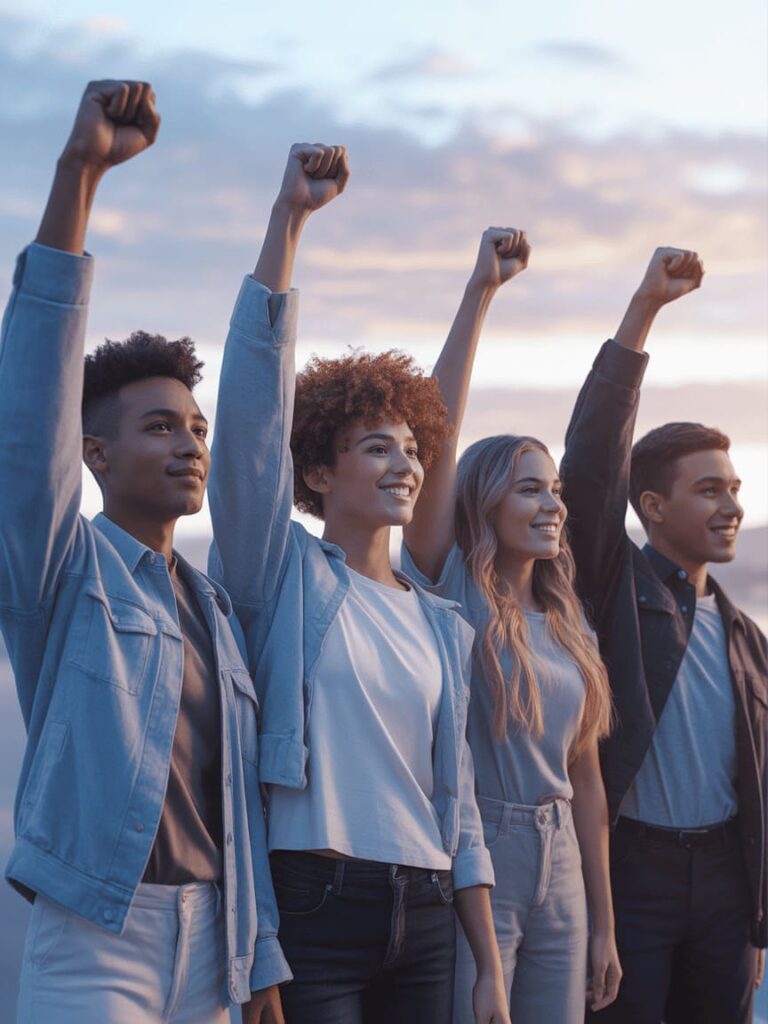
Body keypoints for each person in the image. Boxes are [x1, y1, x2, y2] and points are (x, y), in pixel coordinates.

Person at [0, 79, 290, 1023]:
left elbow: (256, 448)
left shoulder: (215, 607)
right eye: (161, 428)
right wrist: (80, 173)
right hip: (96, 933)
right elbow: (32, 403)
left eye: (193, 429)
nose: (191, 445)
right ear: (96, 454)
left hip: (216, 938)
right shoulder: (61, 573)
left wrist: (260, 961)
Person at [206, 144, 510, 1024]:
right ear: (315, 472)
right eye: (377, 446)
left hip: (426, 916)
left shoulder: (443, 624)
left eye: (411, 450)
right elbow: (251, 432)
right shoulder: (280, 574)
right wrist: (288, 224)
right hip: (312, 902)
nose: (405, 464)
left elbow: (461, 813)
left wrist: (487, 967)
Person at [400, 228, 620, 1023]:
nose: (553, 504)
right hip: (476, 853)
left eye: (554, 489)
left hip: (563, 858)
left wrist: (603, 921)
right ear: (483, 500)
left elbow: (587, 779)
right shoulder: (448, 586)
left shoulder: (567, 623)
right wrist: (480, 293)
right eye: (530, 489)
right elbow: (434, 436)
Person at [560, 246, 767, 1023]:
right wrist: (643, 312)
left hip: (723, 882)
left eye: (736, 488)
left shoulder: (747, 637)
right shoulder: (615, 586)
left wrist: (753, 919)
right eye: (708, 489)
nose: (731, 506)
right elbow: (590, 462)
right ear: (650, 506)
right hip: (630, 872)